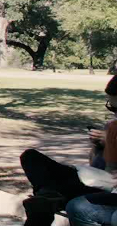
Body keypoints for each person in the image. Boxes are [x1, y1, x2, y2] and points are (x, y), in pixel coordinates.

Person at [19, 75, 117, 225]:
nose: (114, 113)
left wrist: (111, 141)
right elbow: (94, 164)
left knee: (75, 204)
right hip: (93, 177)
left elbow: (112, 174)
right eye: (110, 107)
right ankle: (48, 198)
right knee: (30, 157)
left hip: (106, 188)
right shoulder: (112, 126)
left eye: (115, 108)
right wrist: (98, 146)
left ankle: (47, 203)